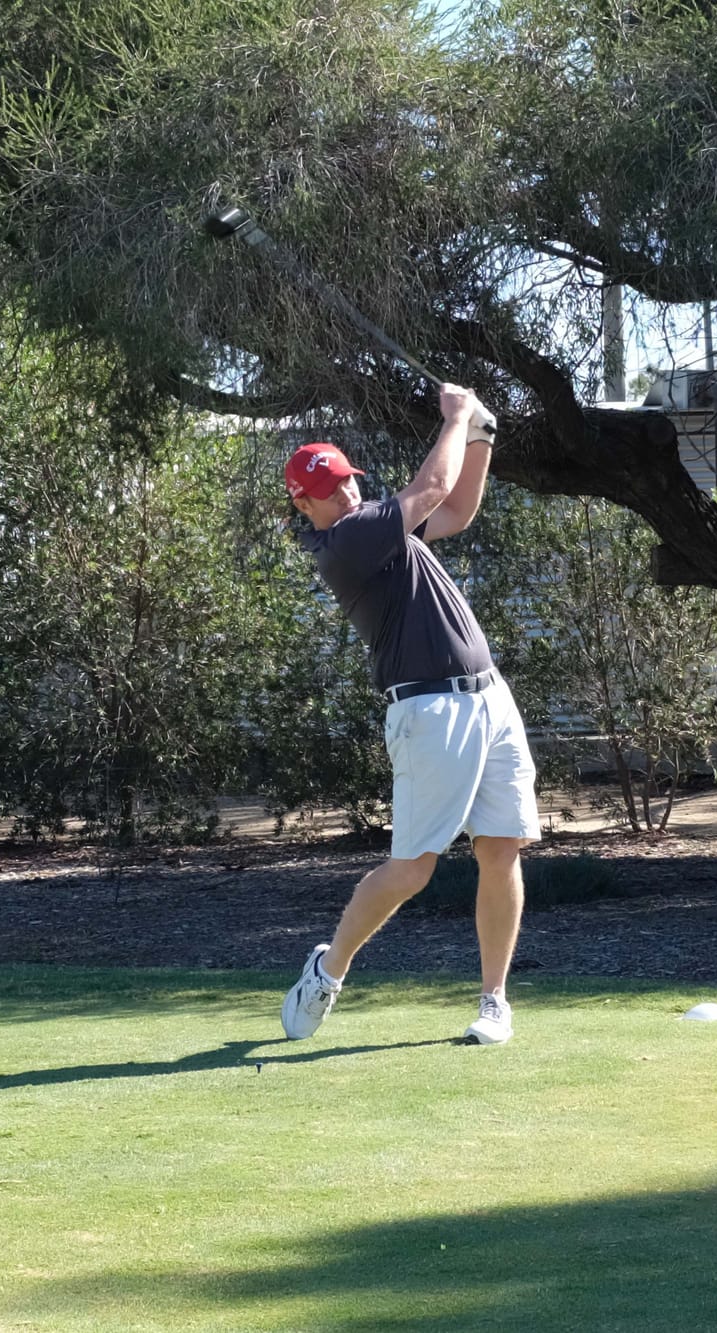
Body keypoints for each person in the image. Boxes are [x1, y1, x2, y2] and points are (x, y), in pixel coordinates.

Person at [279, 384, 541, 1045]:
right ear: (303, 502)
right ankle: (328, 970)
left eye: (345, 481)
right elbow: (429, 488)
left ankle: (493, 999)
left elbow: (456, 507)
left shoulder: (374, 524)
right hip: (430, 709)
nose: (343, 495)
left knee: (500, 846)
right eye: (328, 490)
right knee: (414, 868)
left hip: (489, 697)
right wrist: (455, 418)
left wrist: (480, 435)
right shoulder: (347, 541)